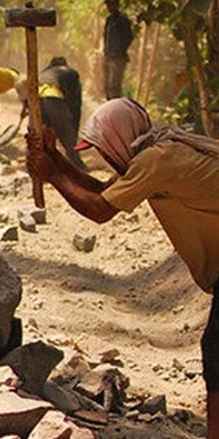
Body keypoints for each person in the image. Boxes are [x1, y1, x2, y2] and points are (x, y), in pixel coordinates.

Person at [25, 97, 219, 439]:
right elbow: (105, 190)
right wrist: (53, 158)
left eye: (101, 150)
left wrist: (52, 173)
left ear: (118, 138)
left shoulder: (158, 160)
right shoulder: (159, 151)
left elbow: (100, 208)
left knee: (217, 351)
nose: (103, 159)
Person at [16, 57, 86, 167]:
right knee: (67, 137)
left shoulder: (43, 73)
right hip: (53, 97)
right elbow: (75, 104)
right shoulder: (70, 73)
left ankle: (32, 164)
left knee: (37, 136)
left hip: (36, 100)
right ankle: (77, 164)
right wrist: (72, 132)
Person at [103, 0, 134, 100]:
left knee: (114, 85)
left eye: (111, 4)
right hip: (108, 56)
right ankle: (109, 105)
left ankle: (115, 106)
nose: (109, 7)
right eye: (108, 5)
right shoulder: (109, 20)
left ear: (116, 5)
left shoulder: (123, 21)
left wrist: (119, 51)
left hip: (118, 57)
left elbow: (128, 37)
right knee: (107, 85)